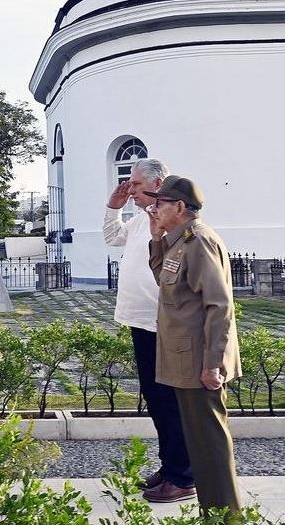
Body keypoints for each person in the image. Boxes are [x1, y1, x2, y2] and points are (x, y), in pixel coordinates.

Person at [145, 175, 242, 517]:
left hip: (201, 362)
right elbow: (166, 283)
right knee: (199, 445)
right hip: (186, 361)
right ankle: (212, 513)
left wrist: (213, 363)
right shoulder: (177, 242)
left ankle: (226, 517)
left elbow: (219, 305)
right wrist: (156, 239)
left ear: (180, 207)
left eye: (160, 204)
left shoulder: (199, 241)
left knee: (210, 444)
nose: (153, 209)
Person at [103, 159, 195, 503]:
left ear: (159, 184)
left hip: (165, 324)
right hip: (140, 320)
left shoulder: (173, 221)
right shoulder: (143, 218)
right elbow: (113, 237)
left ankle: (184, 476)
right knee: (156, 400)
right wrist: (114, 207)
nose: (130, 191)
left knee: (170, 401)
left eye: (136, 186)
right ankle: (170, 465)